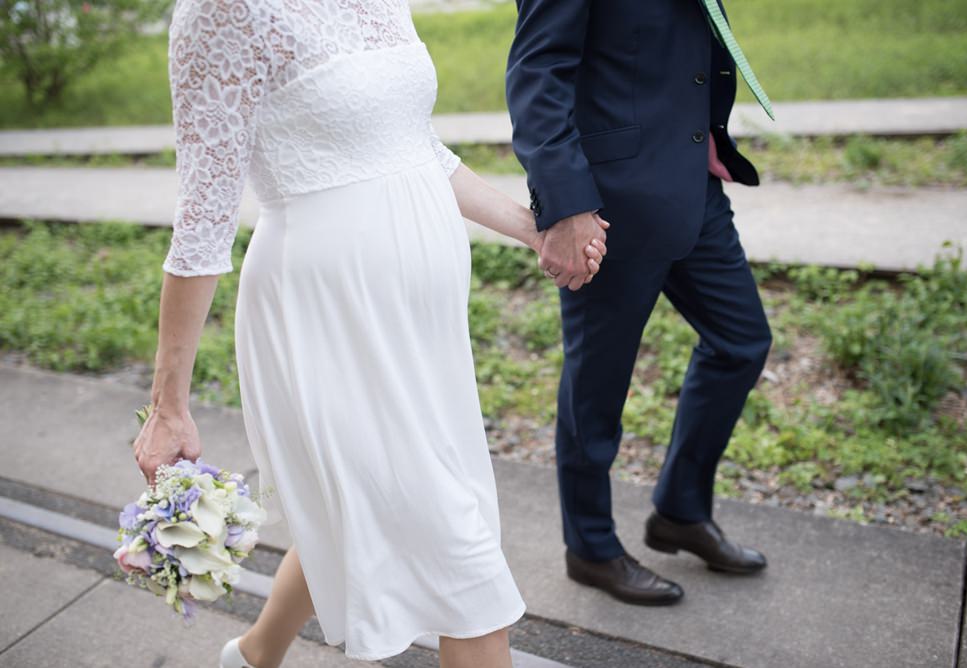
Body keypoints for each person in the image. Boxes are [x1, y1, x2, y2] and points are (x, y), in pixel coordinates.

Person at [130, 0, 608, 666]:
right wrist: (168, 405)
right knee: (457, 549)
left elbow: (413, 145)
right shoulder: (222, 10)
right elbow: (204, 215)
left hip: (420, 326)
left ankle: (252, 656)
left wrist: (533, 227)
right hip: (328, 318)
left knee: (369, 504)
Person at [505, 0, 774, 606]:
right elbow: (536, 71)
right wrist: (569, 206)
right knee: (597, 389)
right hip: (608, 202)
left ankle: (679, 510)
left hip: (691, 187)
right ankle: (591, 548)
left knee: (742, 342)